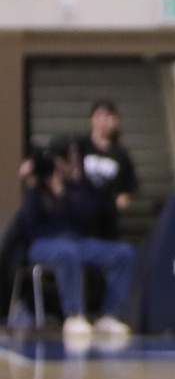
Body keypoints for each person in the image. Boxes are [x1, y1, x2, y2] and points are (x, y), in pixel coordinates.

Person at [14, 144, 133, 340]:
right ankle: (74, 314)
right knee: (67, 252)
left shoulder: (76, 187)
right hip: (42, 243)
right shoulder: (34, 189)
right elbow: (27, 224)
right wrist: (30, 182)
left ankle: (109, 316)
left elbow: (85, 217)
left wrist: (62, 194)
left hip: (77, 241)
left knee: (124, 253)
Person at [76, 100, 138, 230]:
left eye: (108, 116)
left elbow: (130, 182)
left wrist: (123, 197)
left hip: (107, 215)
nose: (103, 121)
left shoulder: (121, 154)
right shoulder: (81, 146)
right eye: (99, 116)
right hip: (81, 210)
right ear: (92, 119)